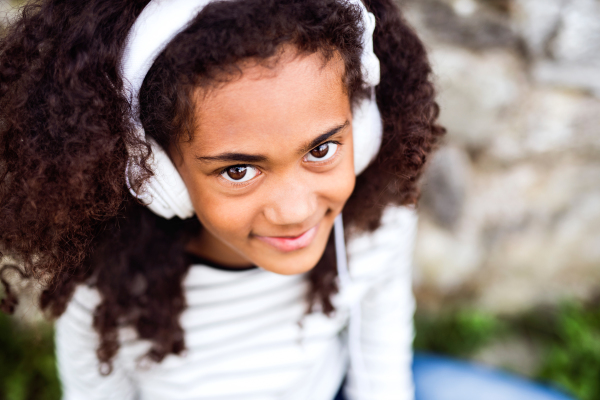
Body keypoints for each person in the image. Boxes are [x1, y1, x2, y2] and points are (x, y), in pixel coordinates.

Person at [0, 0, 444, 399]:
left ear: (362, 130)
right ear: (160, 174)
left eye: (322, 149)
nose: (296, 211)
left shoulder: (375, 228)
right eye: (238, 171)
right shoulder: (104, 294)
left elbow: (382, 371)